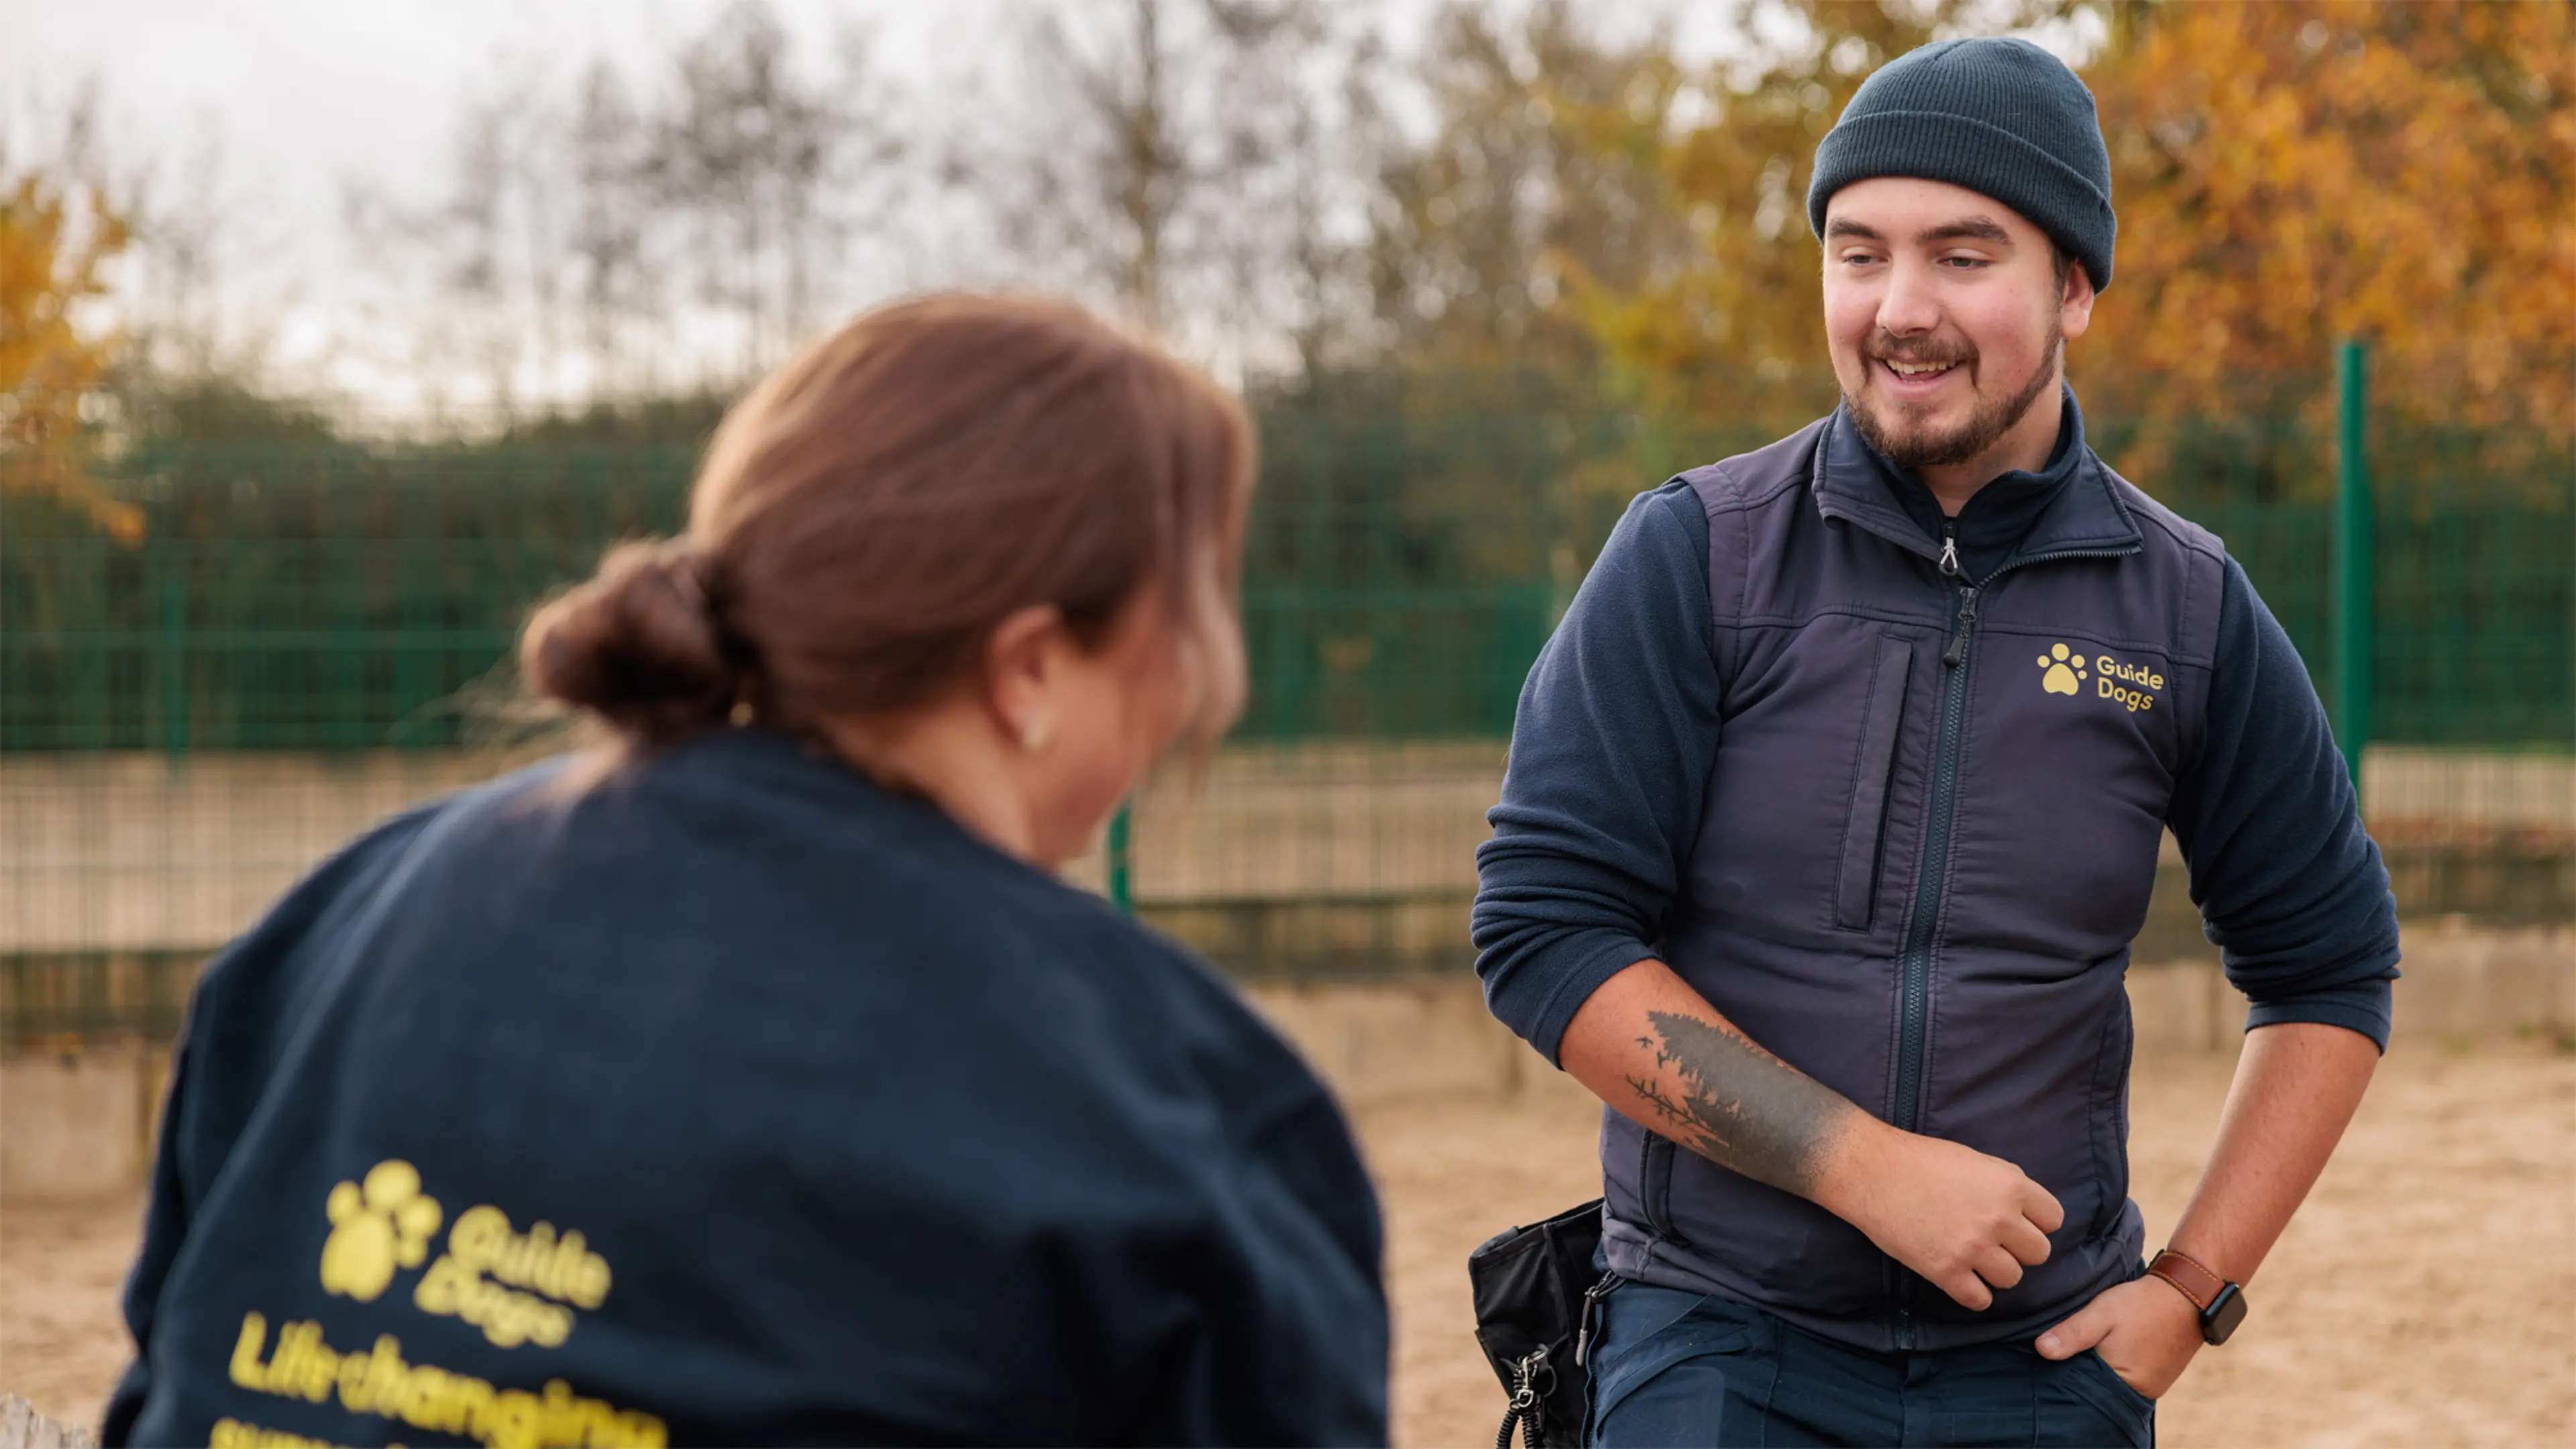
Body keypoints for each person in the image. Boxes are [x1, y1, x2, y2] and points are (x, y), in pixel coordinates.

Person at [105, 294, 1389, 1448]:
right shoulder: (1170, 1108)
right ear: (1031, 670)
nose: (1209, 679)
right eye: (1196, 606)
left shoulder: (335, 926)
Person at [1472, 37, 2397, 1448]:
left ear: (2075, 285)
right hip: (1717, 1345)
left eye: (1964, 257)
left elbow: (2330, 968)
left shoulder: (2188, 606)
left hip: (2044, 1368)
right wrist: (1862, 1169)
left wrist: (2191, 1293)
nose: (1900, 309)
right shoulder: (1696, 557)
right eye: (1859, 254)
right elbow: (1546, 931)